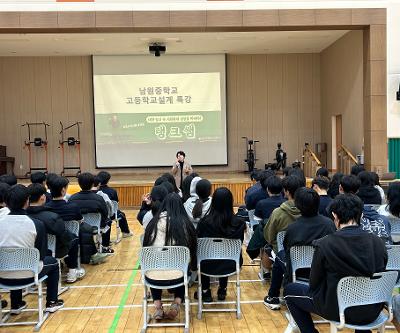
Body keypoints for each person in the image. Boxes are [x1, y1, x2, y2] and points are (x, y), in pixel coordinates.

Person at [284, 194, 388, 333]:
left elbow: (314, 283)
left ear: (334, 215)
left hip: (338, 310)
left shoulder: (324, 244)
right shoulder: (379, 242)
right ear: (361, 215)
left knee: (289, 291)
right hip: (372, 309)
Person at [264, 187, 335, 310]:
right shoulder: (329, 224)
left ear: (298, 205)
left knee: (280, 257)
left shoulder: (293, 228)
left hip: (298, 271)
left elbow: (288, 250)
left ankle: (273, 297)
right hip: (323, 270)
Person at [0, 185, 64, 313]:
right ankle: (52, 302)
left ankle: (16, 303)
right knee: (52, 262)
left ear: (6, 203)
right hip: (29, 274)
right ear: (27, 201)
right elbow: (40, 254)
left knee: (13, 260)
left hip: (2, 276)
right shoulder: (36, 224)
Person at [143, 193, 197, 321]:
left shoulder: (153, 223)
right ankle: (177, 302)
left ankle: (157, 307)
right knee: (182, 265)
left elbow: (146, 251)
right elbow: (193, 251)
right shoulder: (186, 225)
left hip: (153, 278)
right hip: (179, 277)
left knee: (154, 266)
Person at [196, 187, 246, 302]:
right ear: (230, 203)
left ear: (213, 203)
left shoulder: (204, 223)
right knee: (225, 255)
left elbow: (199, 245)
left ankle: (205, 291)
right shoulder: (239, 223)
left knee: (203, 255)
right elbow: (240, 243)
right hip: (231, 263)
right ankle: (223, 288)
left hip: (206, 264)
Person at [27, 183, 84, 283]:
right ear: (42, 197)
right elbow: (64, 236)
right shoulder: (52, 217)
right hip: (51, 253)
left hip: (26, 254)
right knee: (73, 238)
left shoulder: (22, 218)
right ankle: (72, 272)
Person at [46, 176, 107, 265]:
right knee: (84, 228)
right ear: (63, 190)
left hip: (49, 243)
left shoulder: (46, 208)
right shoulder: (72, 207)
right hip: (70, 240)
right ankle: (88, 257)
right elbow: (80, 221)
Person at [262, 176, 302, 309]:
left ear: (286, 191)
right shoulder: (309, 211)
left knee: (274, 252)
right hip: (309, 255)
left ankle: (273, 295)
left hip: (285, 255)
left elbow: (268, 235)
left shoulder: (278, 212)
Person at [68, 172, 113, 254]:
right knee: (108, 222)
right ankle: (104, 246)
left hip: (78, 227)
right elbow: (105, 213)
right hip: (96, 226)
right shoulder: (99, 198)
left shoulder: (72, 198)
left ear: (79, 184)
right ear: (93, 184)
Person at [96, 171, 133, 237]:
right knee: (121, 214)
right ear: (108, 180)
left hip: (95, 215)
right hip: (109, 215)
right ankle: (126, 232)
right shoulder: (112, 191)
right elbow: (115, 204)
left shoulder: (95, 191)